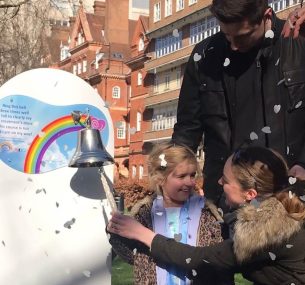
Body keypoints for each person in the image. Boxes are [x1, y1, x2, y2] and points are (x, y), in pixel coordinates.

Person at [171, 0, 305, 209]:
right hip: (226, 198)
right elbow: (187, 127)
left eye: (242, 36)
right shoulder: (205, 57)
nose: (233, 45)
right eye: (226, 35)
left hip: (291, 195)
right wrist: (174, 173)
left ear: (267, 16)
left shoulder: (297, 45)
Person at [108, 146, 305, 285]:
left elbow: (200, 258)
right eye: (180, 176)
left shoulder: (265, 233)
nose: (219, 182)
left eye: (226, 180)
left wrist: (142, 234)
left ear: (250, 194)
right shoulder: (280, 209)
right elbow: (135, 256)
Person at [107, 142, 233, 285]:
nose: (190, 182)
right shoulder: (145, 214)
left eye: (192, 175)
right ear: (160, 178)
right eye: (181, 176)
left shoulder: (207, 214)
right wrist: (117, 233)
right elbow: (134, 256)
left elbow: (217, 263)